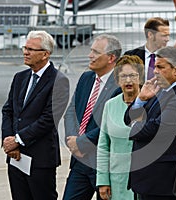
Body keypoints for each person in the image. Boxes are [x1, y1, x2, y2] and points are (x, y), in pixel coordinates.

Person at [1, 30, 69, 200]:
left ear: (45, 54)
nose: (25, 52)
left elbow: (48, 119)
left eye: (31, 49)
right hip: (15, 157)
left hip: (40, 159)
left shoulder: (59, 81)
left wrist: (17, 141)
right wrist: (9, 142)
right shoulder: (20, 77)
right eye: (25, 47)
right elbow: (8, 110)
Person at [124, 46, 176, 200]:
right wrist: (141, 99)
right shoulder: (160, 91)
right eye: (154, 67)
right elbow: (128, 118)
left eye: (160, 67)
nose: (155, 71)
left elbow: (157, 128)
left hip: (162, 180)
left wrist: (134, 126)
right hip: (147, 178)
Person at [63, 34, 122, 200]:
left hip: (103, 163)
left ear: (111, 57)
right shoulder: (86, 77)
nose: (90, 56)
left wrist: (81, 143)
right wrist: (72, 140)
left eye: (96, 52)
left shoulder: (120, 85)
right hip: (79, 161)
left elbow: (111, 124)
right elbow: (71, 111)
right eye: (91, 51)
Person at [96, 55, 144, 200]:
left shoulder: (152, 103)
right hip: (118, 181)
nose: (128, 81)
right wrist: (103, 180)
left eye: (132, 75)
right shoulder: (110, 105)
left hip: (145, 180)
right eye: (123, 76)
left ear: (140, 78)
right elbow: (103, 146)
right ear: (117, 80)